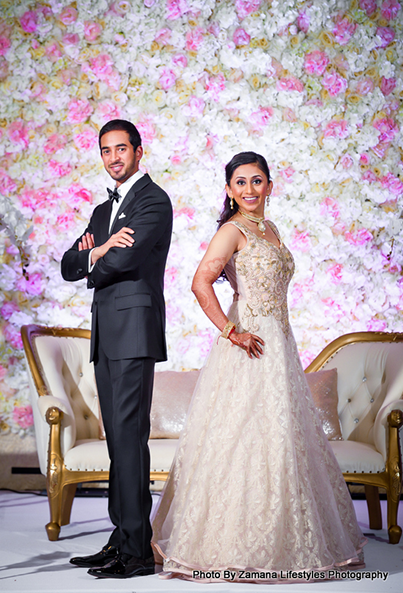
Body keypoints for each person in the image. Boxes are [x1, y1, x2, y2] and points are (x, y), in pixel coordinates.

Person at [151, 151, 366, 583]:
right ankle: (231, 544)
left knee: (281, 438)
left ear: (270, 185)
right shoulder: (232, 231)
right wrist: (232, 331)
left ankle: (284, 540)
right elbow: (200, 281)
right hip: (250, 345)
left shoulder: (270, 229)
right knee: (239, 439)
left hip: (280, 344)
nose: (249, 189)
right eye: (240, 182)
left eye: (257, 181)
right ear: (229, 190)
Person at [61, 119, 172, 579]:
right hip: (107, 336)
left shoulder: (153, 201)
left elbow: (123, 260)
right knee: (118, 442)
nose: (113, 158)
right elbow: (70, 264)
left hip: (133, 333)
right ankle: (121, 538)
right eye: (106, 151)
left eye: (121, 149)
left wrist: (100, 255)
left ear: (139, 151)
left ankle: (137, 552)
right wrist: (100, 248)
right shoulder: (103, 211)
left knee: (129, 440)